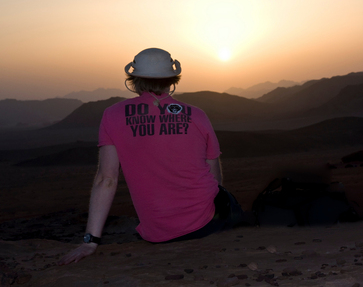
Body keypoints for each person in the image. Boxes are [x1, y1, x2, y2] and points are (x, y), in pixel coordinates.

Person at [59, 48, 241, 265]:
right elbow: (214, 176)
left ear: (133, 79)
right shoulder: (197, 115)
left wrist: (90, 241)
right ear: (173, 79)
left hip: (158, 233)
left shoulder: (112, 115)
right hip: (209, 222)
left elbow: (106, 179)